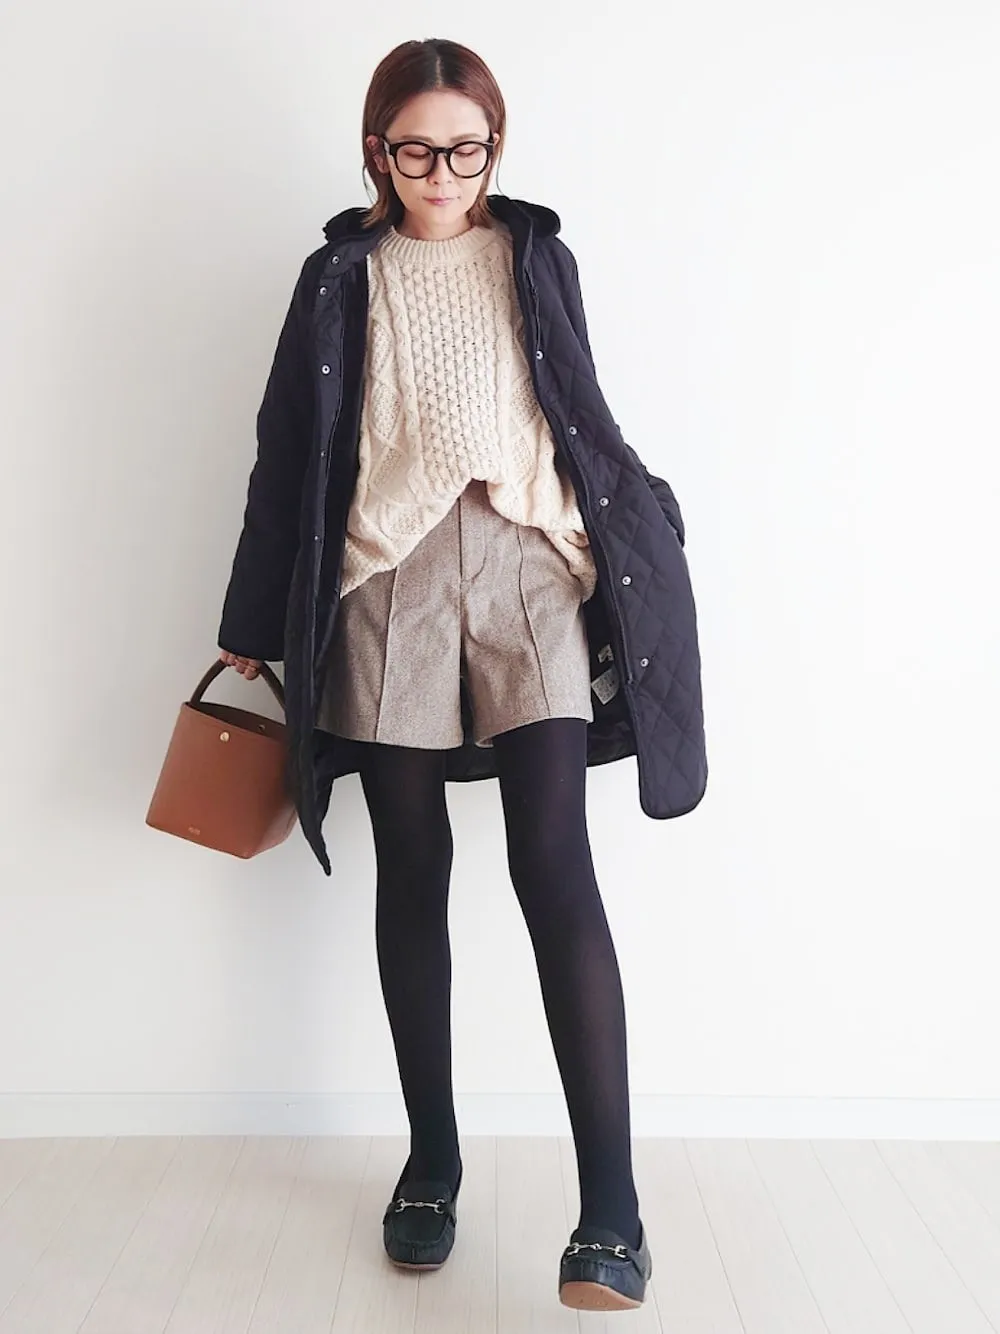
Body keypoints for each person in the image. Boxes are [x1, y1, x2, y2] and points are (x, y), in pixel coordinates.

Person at [217, 37, 707, 1313]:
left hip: (529, 566)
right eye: (417, 150)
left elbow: (579, 408)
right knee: (412, 868)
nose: (442, 173)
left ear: (495, 148)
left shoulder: (536, 256)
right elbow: (287, 448)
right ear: (376, 150)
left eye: (466, 149)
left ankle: (612, 1209)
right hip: (385, 573)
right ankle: (431, 1161)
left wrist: (640, 521)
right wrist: (251, 616)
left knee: (554, 862)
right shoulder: (339, 276)